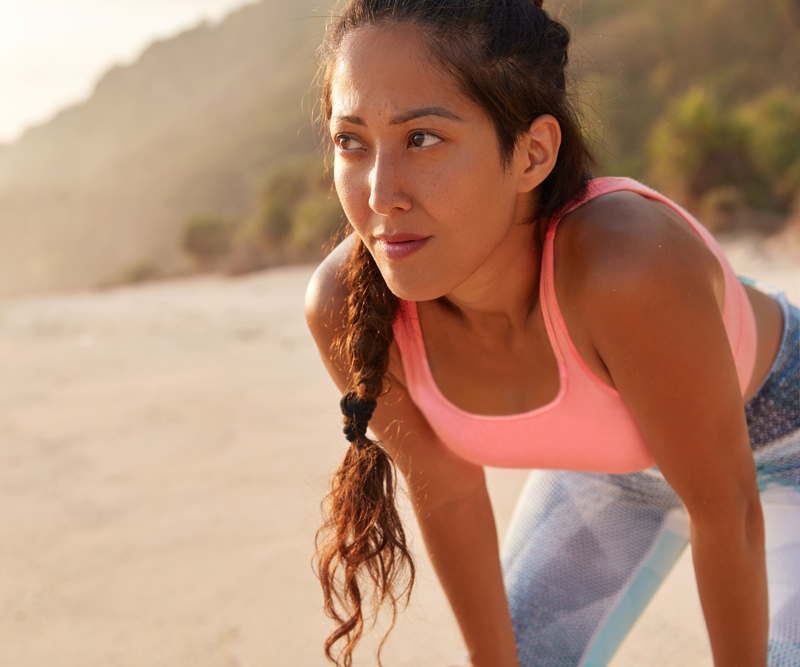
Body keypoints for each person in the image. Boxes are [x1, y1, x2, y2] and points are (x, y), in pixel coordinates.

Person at [304, 1, 800, 666]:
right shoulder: (348, 306)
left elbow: (728, 511)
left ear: (533, 153)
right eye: (351, 141)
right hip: (606, 477)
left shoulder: (626, 268)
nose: (380, 192)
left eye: (422, 138)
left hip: (785, 437)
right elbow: (450, 496)